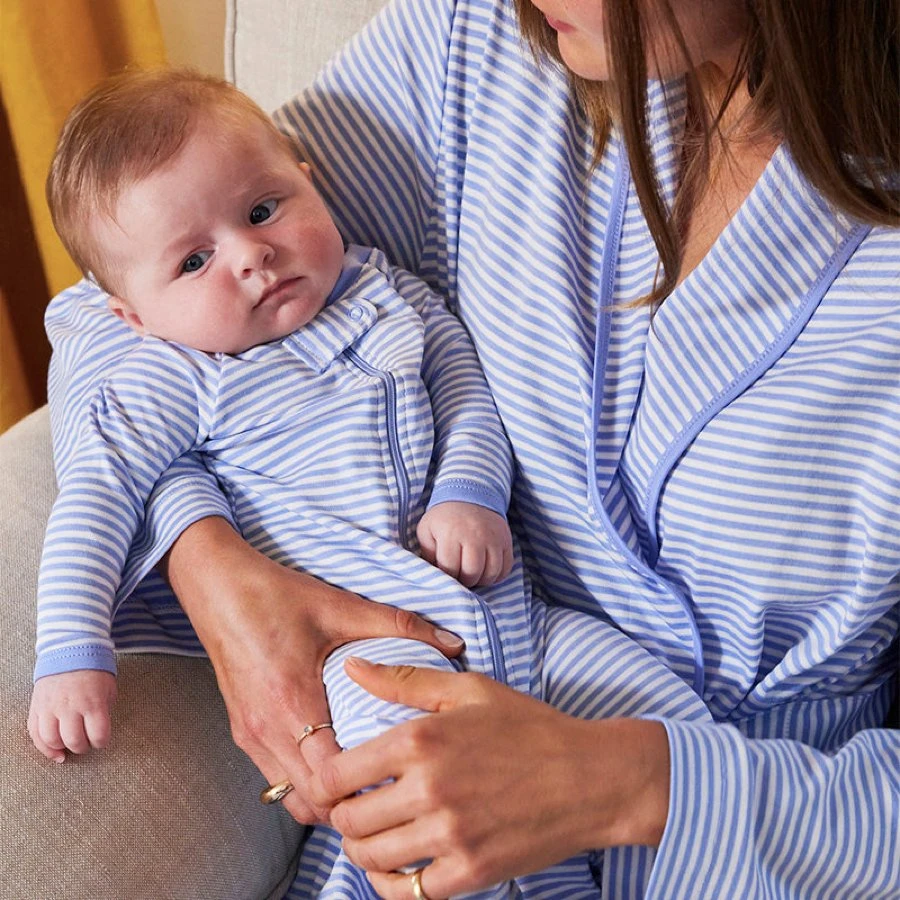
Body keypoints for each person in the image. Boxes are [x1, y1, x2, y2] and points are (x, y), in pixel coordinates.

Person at [42, 1, 898, 899]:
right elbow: (112, 308)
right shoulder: (474, 45)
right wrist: (207, 558)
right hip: (429, 682)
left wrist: (637, 785)